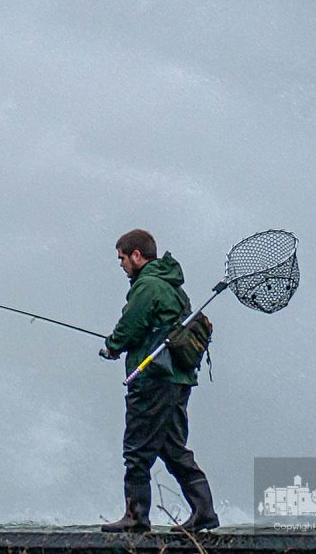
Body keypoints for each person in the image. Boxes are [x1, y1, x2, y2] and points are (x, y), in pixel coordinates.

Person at [99, 228, 219, 533]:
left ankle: (136, 516)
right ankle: (204, 511)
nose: (121, 264)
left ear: (137, 255)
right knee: (172, 446)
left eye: (122, 258)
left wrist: (112, 345)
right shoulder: (174, 288)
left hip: (153, 378)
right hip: (178, 380)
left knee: (136, 448)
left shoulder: (147, 286)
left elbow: (131, 326)